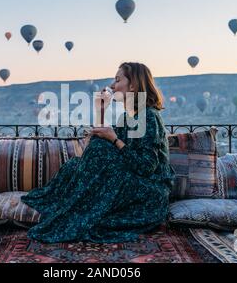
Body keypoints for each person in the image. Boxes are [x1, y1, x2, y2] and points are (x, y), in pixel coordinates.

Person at [20, 62, 175, 243]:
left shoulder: (147, 116)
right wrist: (101, 110)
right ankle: (78, 209)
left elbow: (146, 166)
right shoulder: (129, 116)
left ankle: (77, 211)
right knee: (73, 166)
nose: (111, 86)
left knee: (99, 149)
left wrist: (114, 140)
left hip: (148, 192)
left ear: (133, 85)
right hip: (132, 179)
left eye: (117, 80)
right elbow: (101, 139)